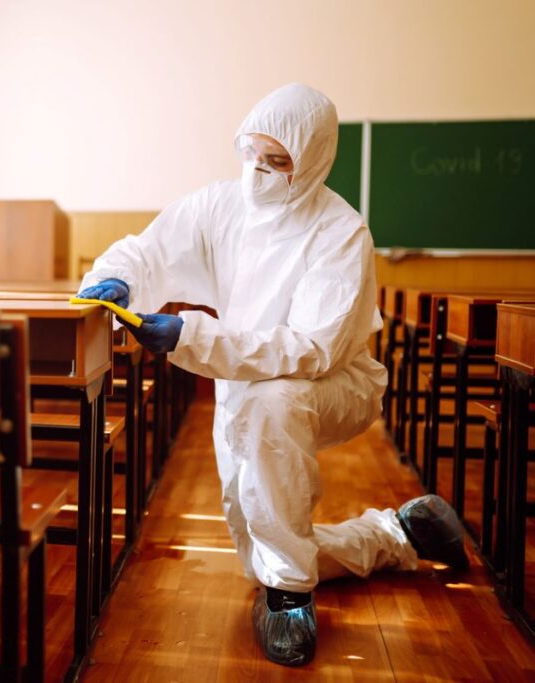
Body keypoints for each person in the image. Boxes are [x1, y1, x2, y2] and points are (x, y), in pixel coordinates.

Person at [76, 83, 467, 667]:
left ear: (310, 161)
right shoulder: (220, 205)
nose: (259, 171)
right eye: (252, 153)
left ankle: (289, 597)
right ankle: (398, 535)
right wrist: (118, 280)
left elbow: (311, 350)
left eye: (277, 161)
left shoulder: (339, 232)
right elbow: (149, 250)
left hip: (335, 382)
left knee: (273, 404)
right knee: (256, 539)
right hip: (242, 373)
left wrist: (191, 336)